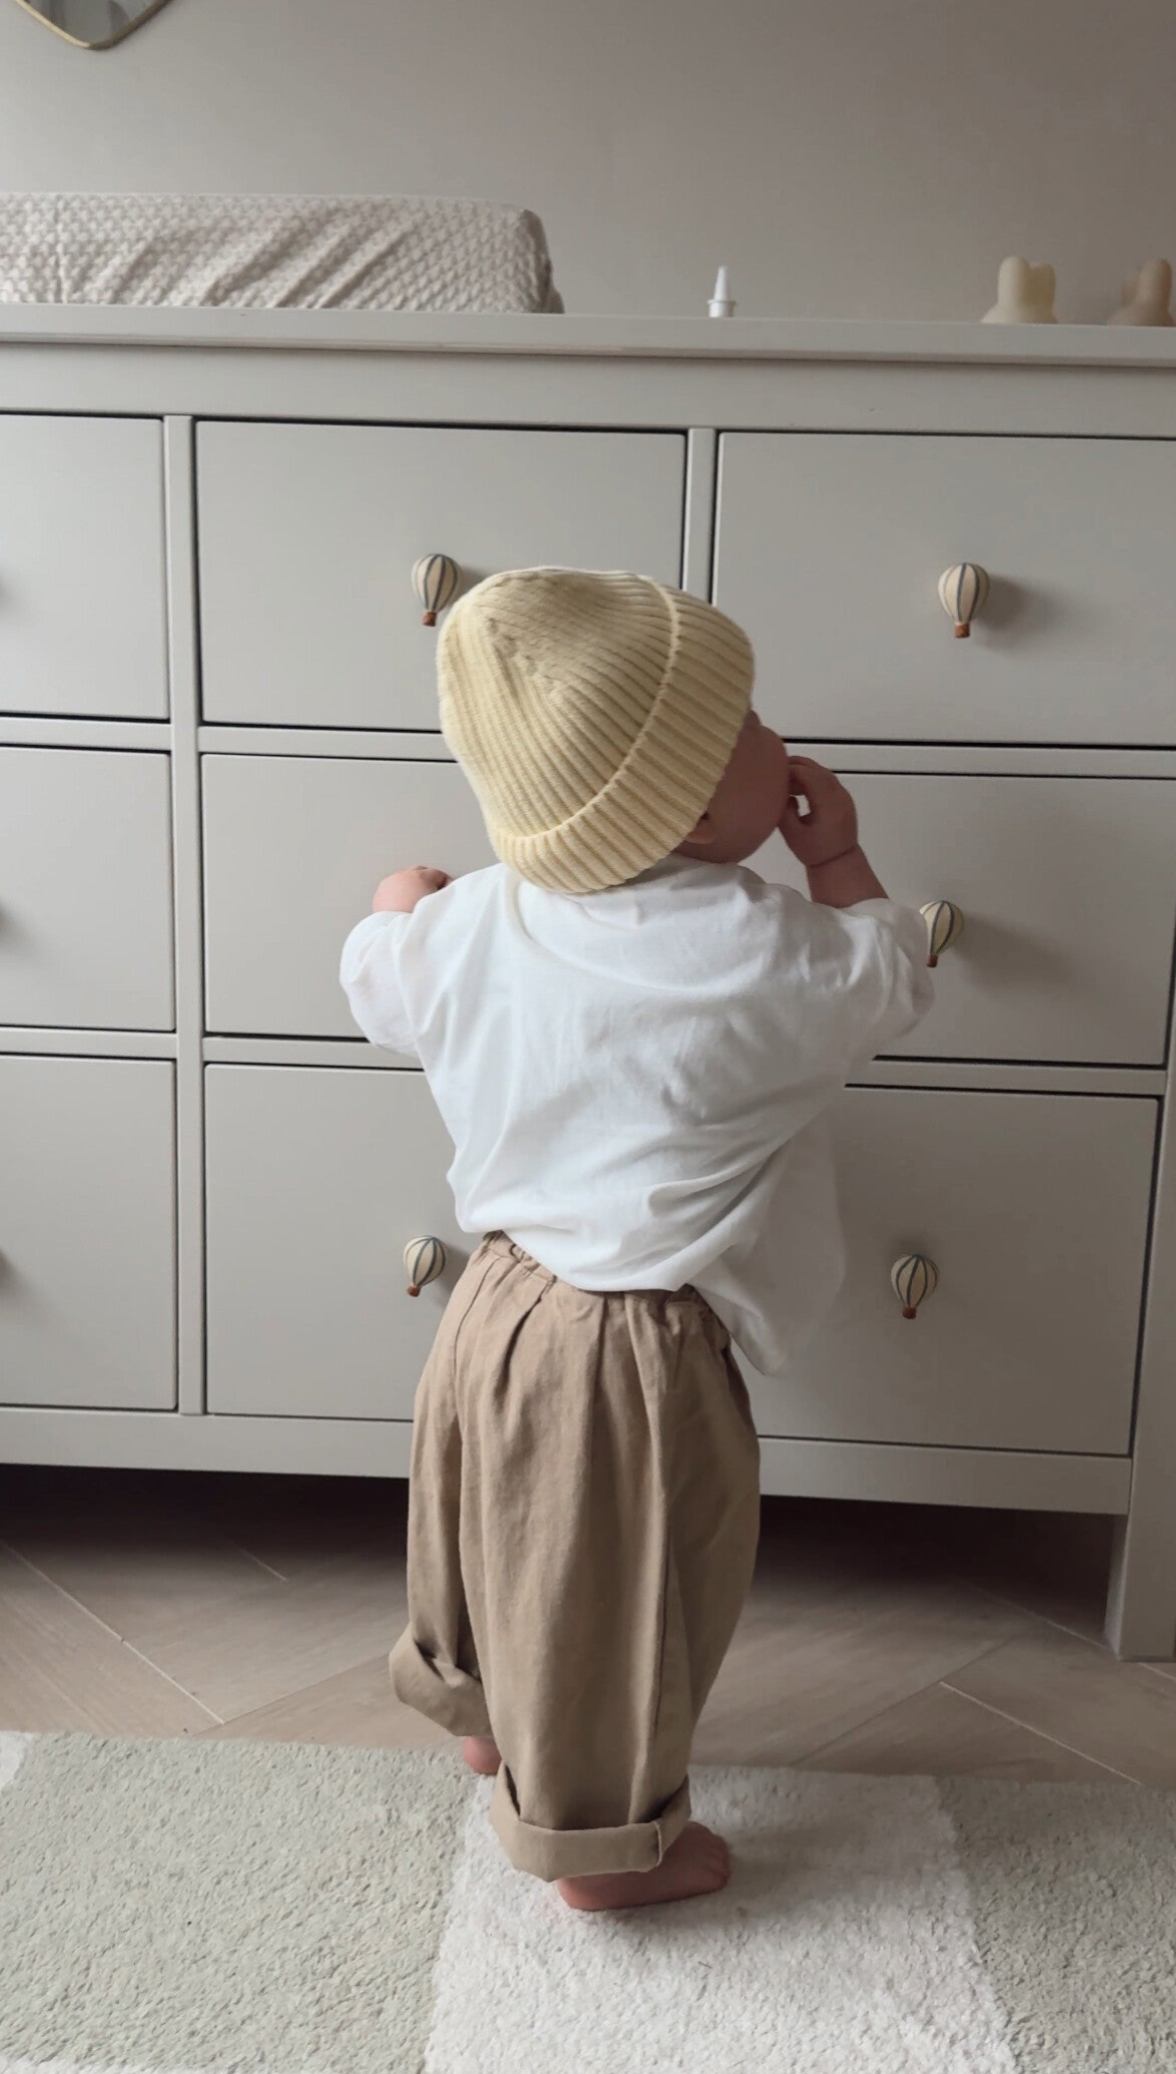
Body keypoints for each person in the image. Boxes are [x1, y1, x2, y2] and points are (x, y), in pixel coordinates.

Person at [340, 568, 932, 1911]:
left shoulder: (475, 917)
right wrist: (835, 859)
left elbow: (374, 979)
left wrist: (398, 898)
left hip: (492, 1309)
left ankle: (488, 1720)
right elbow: (894, 975)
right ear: (698, 808)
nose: (778, 733)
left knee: (495, 1531)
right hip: (635, 1348)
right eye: (751, 720)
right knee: (619, 1597)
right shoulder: (769, 945)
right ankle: (599, 1848)